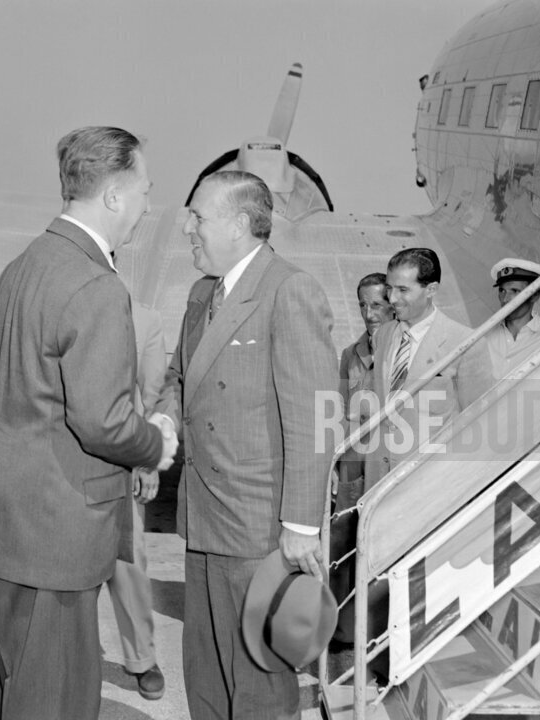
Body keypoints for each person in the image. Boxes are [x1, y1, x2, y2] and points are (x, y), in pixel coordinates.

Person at [0, 126, 177, 720]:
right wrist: (155, 443)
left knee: (21, 682)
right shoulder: (95, 284)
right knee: (57, 697)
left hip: (10, 517)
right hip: (58, 533)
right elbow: (104, 424)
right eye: (143, 190)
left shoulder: (22, 266)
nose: (147, 207)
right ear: (112, 195)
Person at [155, 170, 338, 720]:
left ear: (239, 224)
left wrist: (302, 523)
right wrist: (164, 423)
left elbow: (317, 416)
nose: (187, 228)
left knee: (258, 672)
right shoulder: (200, 293)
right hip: (204, 512)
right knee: (205, 664)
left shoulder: (289, 289)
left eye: (198, 217)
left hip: (260, 522)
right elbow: (179, 379)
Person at [366, 248, 494, 490]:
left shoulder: (466, 343)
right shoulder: (383, 335)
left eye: (403, 290)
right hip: (378, 479)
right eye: (389, 288)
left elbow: (479, 422)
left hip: (430, 483)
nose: (392, 299)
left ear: (431, 290)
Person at [105, 302, 167, 700]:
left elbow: (155, 395)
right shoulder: (59, 305)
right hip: (61, 462)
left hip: (123, 461)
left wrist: (148, 461)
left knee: (129, 565)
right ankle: (68, 658)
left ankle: (142, 659)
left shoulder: (142, 318)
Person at [331, 272, 394, 646]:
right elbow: (337, 412)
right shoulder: (350, 355)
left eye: (377, 304)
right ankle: (340, 629)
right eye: (363, 305)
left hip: (387, 464)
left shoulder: (400, 352)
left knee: (382, 548)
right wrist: (336, 465)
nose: (369, 314)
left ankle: (379, 632)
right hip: (354, 463)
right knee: (341, 545)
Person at [485, 258, 540, 379]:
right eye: (502, 290)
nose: (505, 299)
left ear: (535, 295)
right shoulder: (483, 338)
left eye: (514, 291)